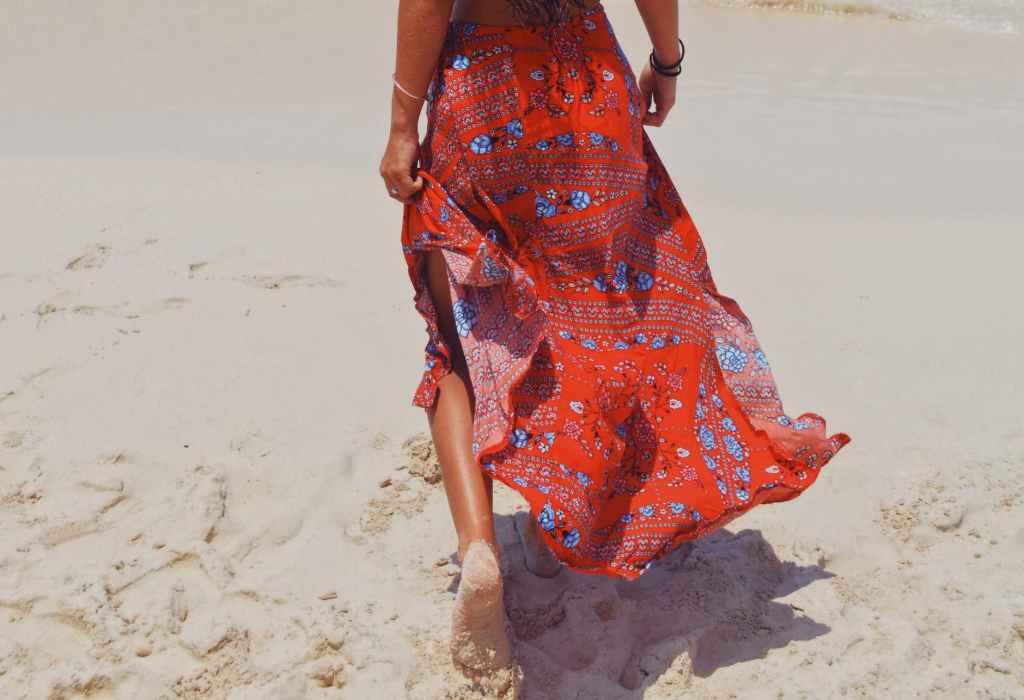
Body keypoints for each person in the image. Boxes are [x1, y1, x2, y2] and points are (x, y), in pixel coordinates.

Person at [379, 0, 850, 686]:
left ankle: (480, 546)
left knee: (463, 334)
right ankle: (550, 529)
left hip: (485, 88)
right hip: (589, 88)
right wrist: (666, 61)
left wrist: (400, 123)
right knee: (594, 314)